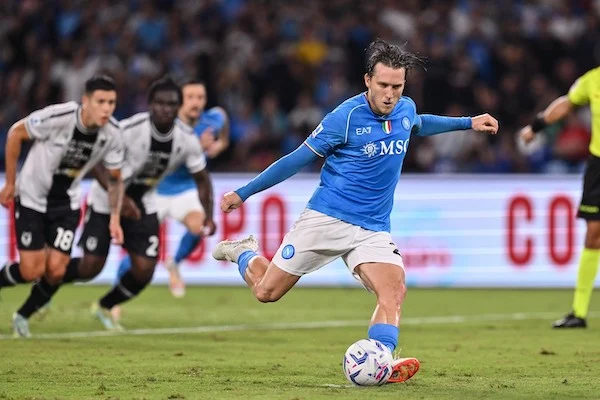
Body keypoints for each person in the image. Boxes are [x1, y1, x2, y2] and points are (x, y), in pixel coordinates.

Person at [212, 39, 499, 384]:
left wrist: (468, 122)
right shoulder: (344, 118)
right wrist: (244, 193)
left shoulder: (405, 109)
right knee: (266, 292)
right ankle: (244, 251)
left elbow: (419, 123)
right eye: (383, 85)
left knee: (394, 290)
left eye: (397, 87)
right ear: (367, 81)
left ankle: (381, 361)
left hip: (373, 229)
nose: (390, 95)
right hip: (327, 219)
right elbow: (296, 160)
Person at [11, 76, 216, 336]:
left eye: (171, 104)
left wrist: (209, 215)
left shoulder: (186, 140)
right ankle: (41, 292)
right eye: (160, 103)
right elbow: (97, 161)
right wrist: (120, 199)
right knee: (90, 267)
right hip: (105, 202)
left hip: (144, 202)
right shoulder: (128, 130)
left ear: (178, 108)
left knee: (145, 269)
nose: (166, 109)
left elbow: (202, 179)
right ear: (150, 105)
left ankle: (105, 306)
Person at [0, 75, 124, 337]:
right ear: (85, 101)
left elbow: (114, 179)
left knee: (56, 271)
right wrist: (10, 183)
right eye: (100, 102)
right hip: (32, 198)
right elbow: (15, 134)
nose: (106, 109)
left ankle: (22, 316)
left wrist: (115, 217)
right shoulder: (59, 117)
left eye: (111, 103)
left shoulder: (113, 134)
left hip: (66, 204)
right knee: (31, 270)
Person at [116, 79, 228, 298]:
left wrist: (219, 146)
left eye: (200, 97)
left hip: (185, 190)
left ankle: (174, 263)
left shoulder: (214, 119)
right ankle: (115, 297)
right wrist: (197, 147)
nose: (196, 102)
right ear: (179, 102)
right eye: (190, 97)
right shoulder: (167, 125)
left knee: (201, 227)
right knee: (139, 250)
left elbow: (223, 127)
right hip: (154, 190)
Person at [519, 66, 600, 329]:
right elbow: (567, 103)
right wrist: (537, 125)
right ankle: (579, 312)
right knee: (593, 234)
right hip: (598, 166)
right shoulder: (593, 79)